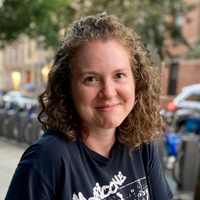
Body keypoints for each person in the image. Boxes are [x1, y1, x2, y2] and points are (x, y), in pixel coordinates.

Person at [5, 13, 173, 200]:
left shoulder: (142, 146)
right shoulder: (47, 161)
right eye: (91, 79)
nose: (108, 92)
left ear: (137, 82)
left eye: (119, 75)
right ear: (67, 88)